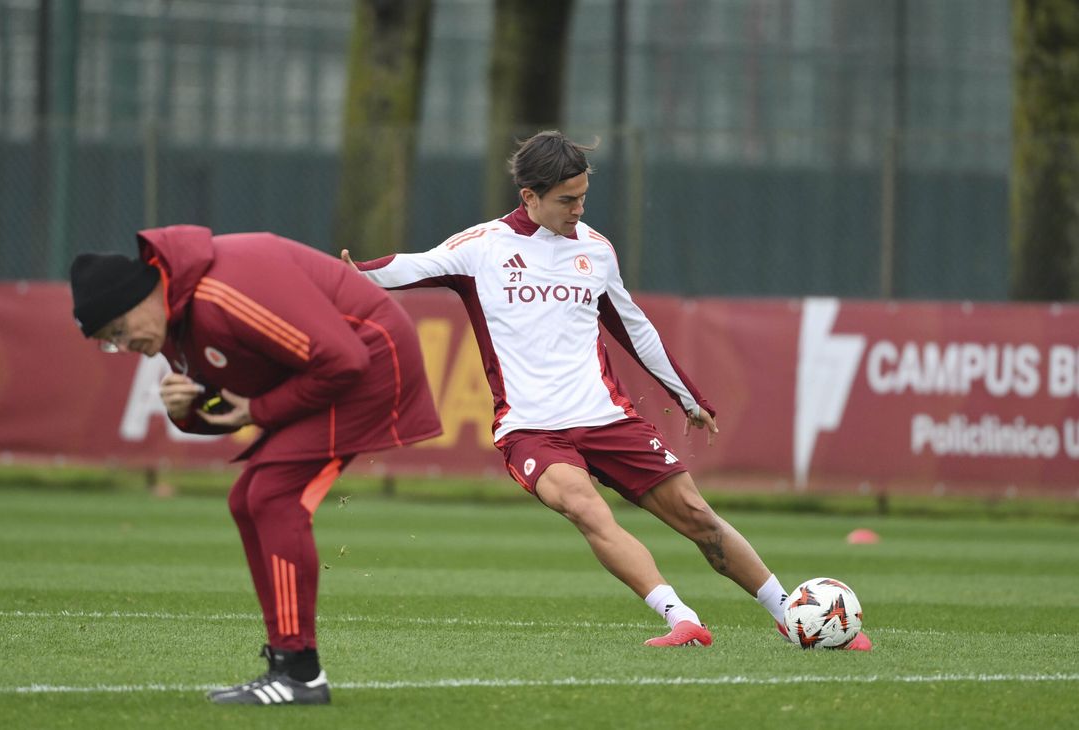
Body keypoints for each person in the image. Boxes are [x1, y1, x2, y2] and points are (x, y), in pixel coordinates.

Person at [343, 130, 871, 651]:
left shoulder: (596, 251)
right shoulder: (482, 247)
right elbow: (409, 266)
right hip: (530, 430)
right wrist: (350, 277)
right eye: (567, 200)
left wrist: (688, 397)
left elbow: (634, 327)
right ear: (529, 197)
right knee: (587, 509)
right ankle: (681, 617)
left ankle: (790, 616)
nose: (578, 209)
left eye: (583, 197)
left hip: (607, 417)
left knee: (695, 514)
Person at [69, 225, 443, 705]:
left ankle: (299, 674)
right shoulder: (174, 316)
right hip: (337, 369)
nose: (122, 346)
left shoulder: (217, 295)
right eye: (108, 342)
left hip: (372, 361)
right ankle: (288, 664)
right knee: (248, 499)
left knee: (272, 496)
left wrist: (258, 412)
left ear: (140, 298)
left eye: (117, 332)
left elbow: (343, 360)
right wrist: (185, 409)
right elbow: (229, 404)